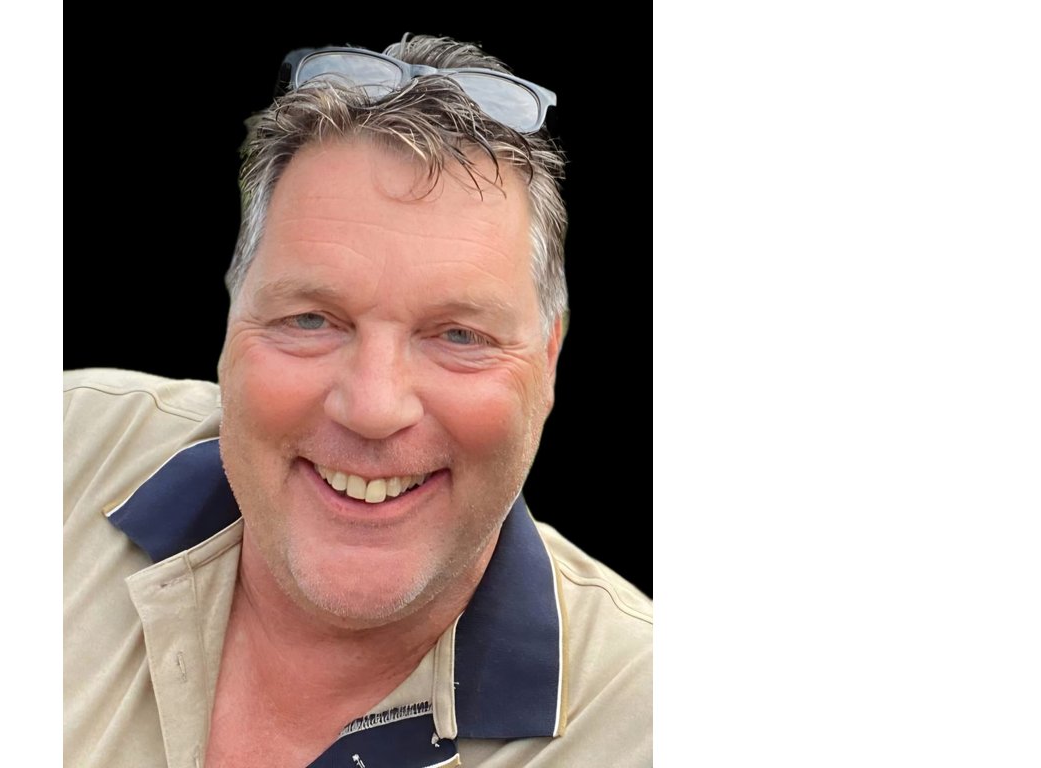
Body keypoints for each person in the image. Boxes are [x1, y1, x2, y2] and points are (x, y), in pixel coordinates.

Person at [64, 35, 652, 767]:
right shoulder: (66, 446)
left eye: (459, 335)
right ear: (232, 322)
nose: (373, 408)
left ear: (549, 361)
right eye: (311, 320)